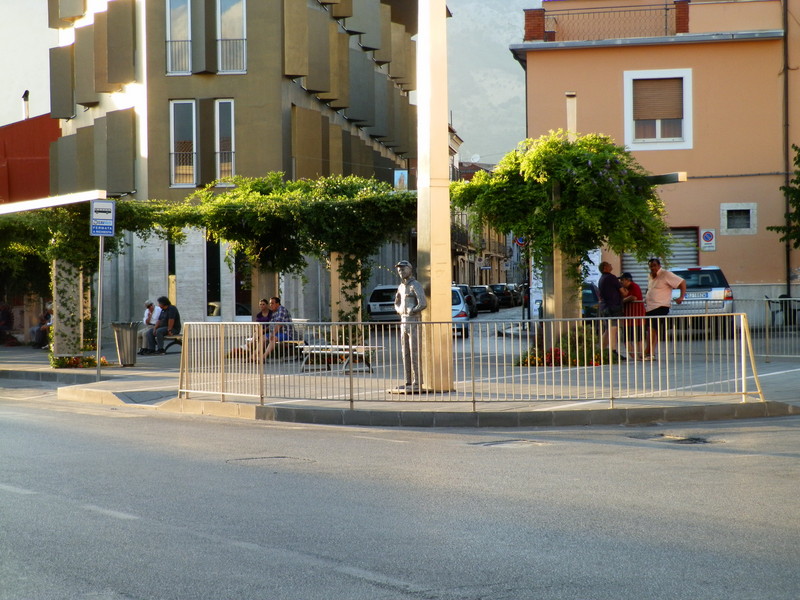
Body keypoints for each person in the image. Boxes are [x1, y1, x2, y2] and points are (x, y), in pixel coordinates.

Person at [643, 258, 687, 360]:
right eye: (650, 266)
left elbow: (682, 282)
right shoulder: (650, 276)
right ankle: (650, 353)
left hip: (661, 306)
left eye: (654, 265)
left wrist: (681, 297)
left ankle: (648, 352)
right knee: (650, 330)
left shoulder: (666, 274)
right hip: (650, 307)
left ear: (659, 265)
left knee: (652, 329)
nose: (652, 268)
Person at [394, 260, 427, 392]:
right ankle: (408, 381)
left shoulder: (416, 285)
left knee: (414, 351)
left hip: (414, 320)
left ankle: (417, 381)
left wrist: (412, 310)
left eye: (403, 269)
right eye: (399, 270)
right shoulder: (401, 287)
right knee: (405, 352)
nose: (401, 272)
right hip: (403, 321)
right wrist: (400, 310)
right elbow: (396, 302)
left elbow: (423, 303)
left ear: (410, 269)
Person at [596, 261, 628, 361]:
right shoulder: (611, 277)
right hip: (613, 306)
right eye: (609, 265)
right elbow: (623, 293)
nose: (611, 265)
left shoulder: (601, 279)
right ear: (605, 267)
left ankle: (600, 351)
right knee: (613, 329)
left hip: (604, 307)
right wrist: (625, 288)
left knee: (607, 329)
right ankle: (613, 352)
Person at [619, 272, 645, 359]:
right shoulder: (627, 288)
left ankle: (639, 355)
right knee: (629, 339)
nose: (621, 282)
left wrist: (622, 301)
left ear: (627, 280)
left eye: (622, 280)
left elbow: (634, 297)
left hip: (636, 317)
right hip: (630, 318)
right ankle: (635, 356)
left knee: (637, 338)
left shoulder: (634, 286)